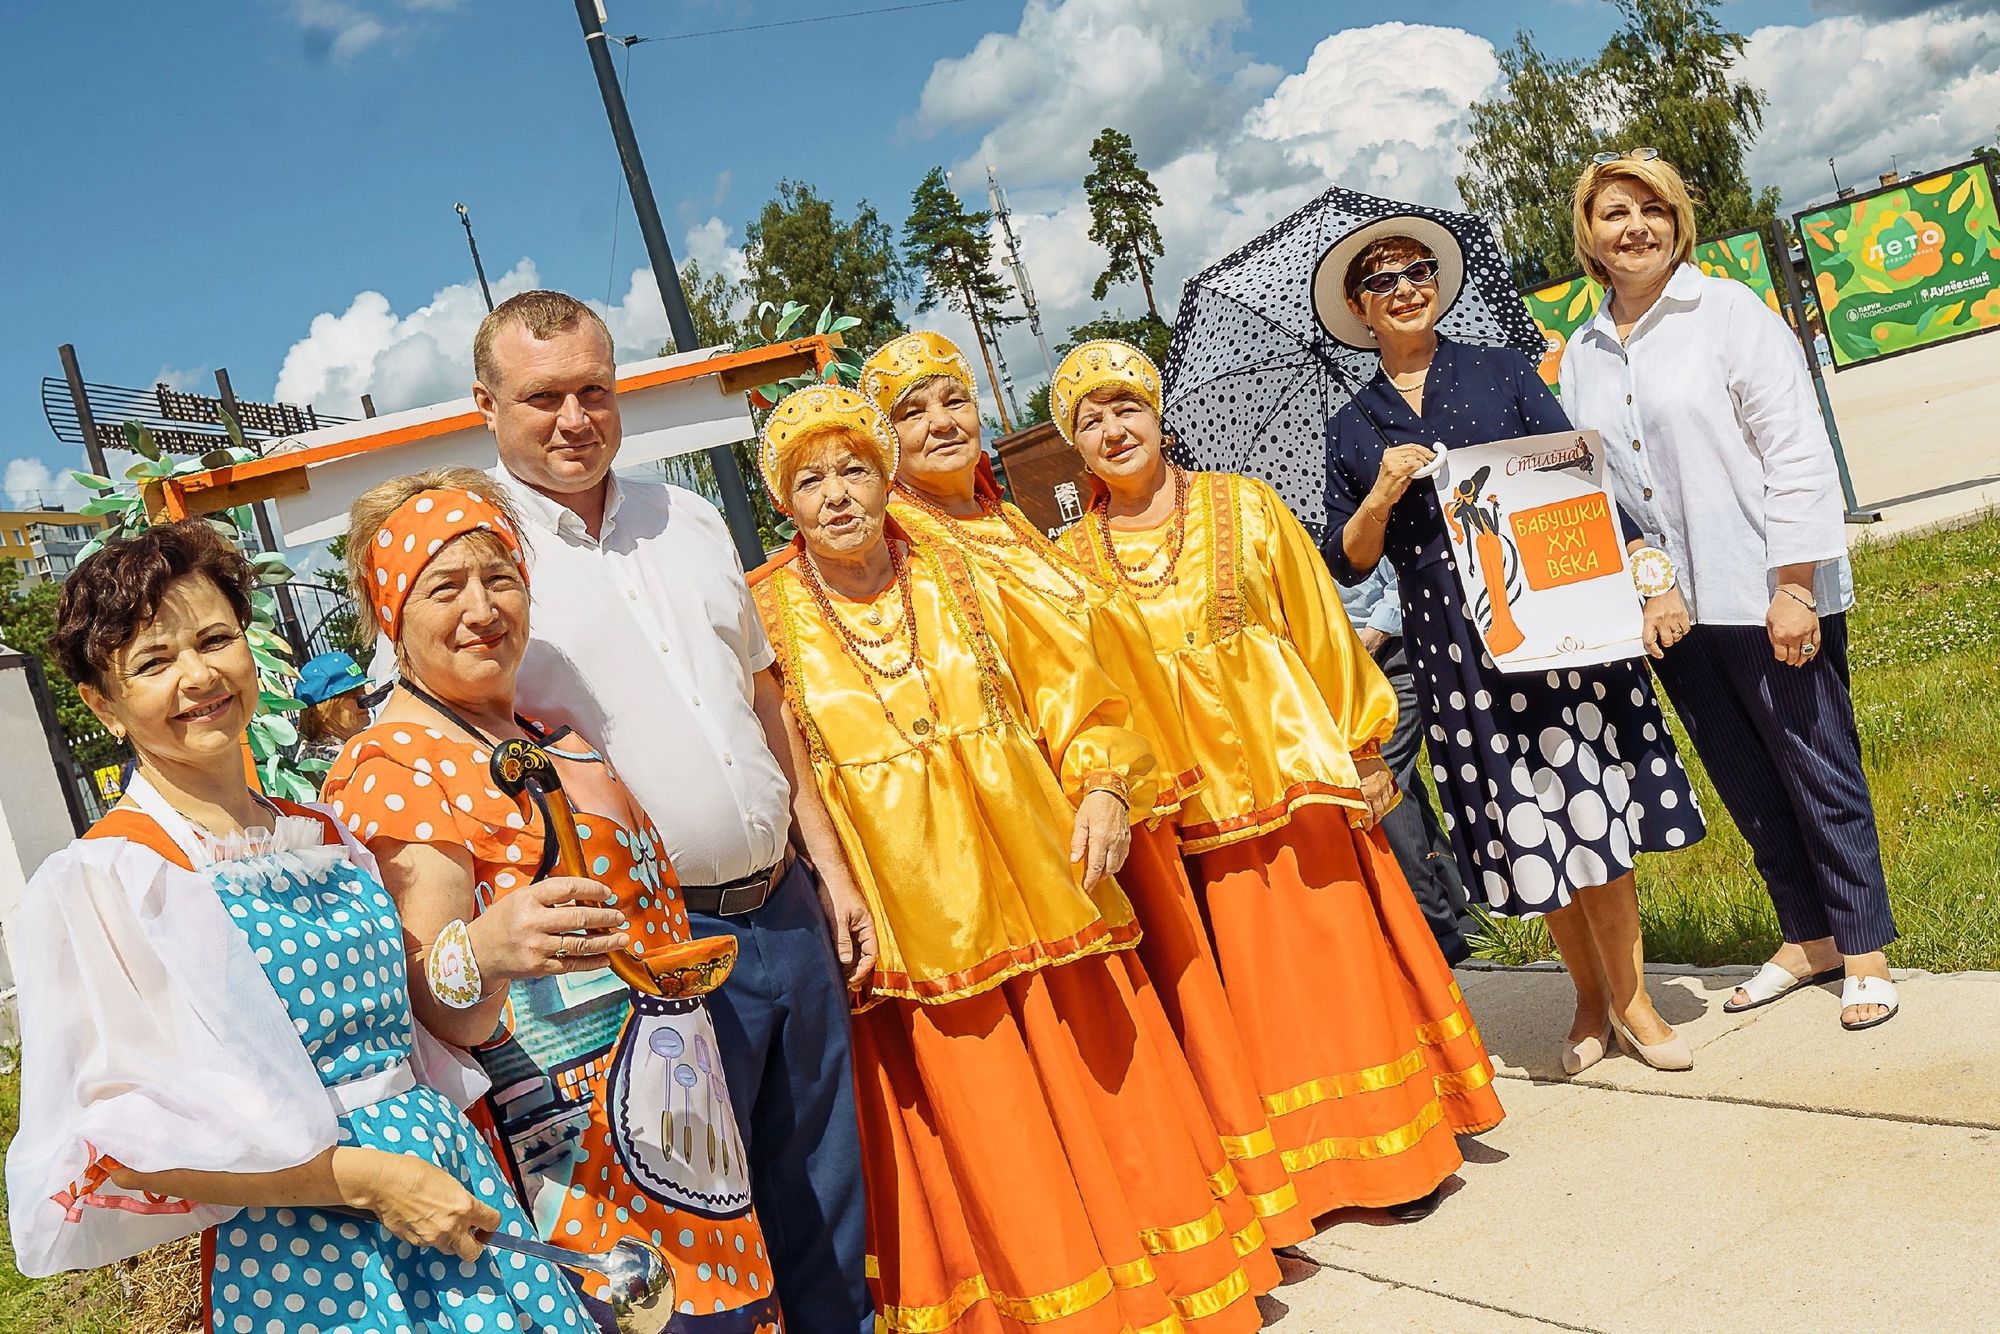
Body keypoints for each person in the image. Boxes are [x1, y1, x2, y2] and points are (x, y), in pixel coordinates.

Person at [748, 382, 1275, 1332]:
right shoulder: (764, 617)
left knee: (1105, 1086)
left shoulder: (956, 567)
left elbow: (1077, 691)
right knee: (987, 1127)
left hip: (1042, 886)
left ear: (884, 476)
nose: (837, 495)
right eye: (810, 479)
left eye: (856, 470)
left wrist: (1107, 784)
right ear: (782, 502)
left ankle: (1173, 1285)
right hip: (910, 922)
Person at [4, 519, 592, 1333]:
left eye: (216, 639)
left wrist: (481, 960)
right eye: (153, 661)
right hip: (302, 1244)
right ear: (103, 706)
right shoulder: (102, 882)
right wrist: (362, 1180)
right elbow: (124, 1144)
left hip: (444, 1181)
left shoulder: (325, 833)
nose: (199, 675)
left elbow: (411, 1037)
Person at [464, 290, 875, 1330]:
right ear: (486, 403)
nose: (573, 417)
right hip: (639, 948)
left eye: (594, 390)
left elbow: (763, 700)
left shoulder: (686, 517)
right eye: (541, 395)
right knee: (692, 1232)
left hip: (781, 908)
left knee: (826, 1194)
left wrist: (826, 867)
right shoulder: (475, 556)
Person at [861, 329, 1312, 1242]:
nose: (941, 423)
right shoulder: (906, 542)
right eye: (912, 414)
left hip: (1119, 794)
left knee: (1178, 1010)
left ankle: (1237, 1210)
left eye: (953, 400)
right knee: (1125, 1034)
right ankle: (1174, 1225)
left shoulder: (999, 521)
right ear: (885, 444)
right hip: (1058, 820)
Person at [1054, 339, 1503, 1224]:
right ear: (1073, 445)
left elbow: (1317, 625)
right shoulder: (1067, 560)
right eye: (1090, 419)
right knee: (1254, 1003)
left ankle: (1394, 1152)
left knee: (1340, 967)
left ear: (1158, 415)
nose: (1113, 429)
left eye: (1125, 407)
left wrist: (1366, 746)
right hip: (1186, 815)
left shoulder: (1247, 506)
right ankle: (1300, 1172)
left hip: (1294, 781)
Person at [321, 470, 781, 1330]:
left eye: (499, 576)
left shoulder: (549, 732)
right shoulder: (396, 765)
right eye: (443, 586)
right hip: (569, 1163)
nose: (482, 607)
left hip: (679, 1116)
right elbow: (434, 1003)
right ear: (392, 613)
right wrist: (484, 950)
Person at [1320, 217, 1707, 1073]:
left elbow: (1580, 476)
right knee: (1527, 821)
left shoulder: (1496, 370)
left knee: (1588, 807)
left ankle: (1635, 999)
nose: (1406, 288)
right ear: (1359, 309)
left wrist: (1640, 568)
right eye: (1382, 281)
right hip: (1453, 649)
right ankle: (1586, 999)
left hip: (1548, 626)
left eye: (1418, 270)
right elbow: (1348, 558)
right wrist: (1381, 494)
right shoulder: (1353, 426)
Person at [1560, 151, 1898, 1030]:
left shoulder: (1729, 314)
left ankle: (1863, 949)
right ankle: (1807, 936)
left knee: (1818, 766)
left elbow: (1795, 452)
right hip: (1673, 609)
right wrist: (1648, 587)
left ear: (1677, 221)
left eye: (1651, 209)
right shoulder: (1587, 352)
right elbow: (1602, 491)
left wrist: (1794, 586)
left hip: (1760, 584)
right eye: (1613, 215)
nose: (1634, 226)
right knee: (1745, 778)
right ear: (1588, 237)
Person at [1337, 560, 1475, 963]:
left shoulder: (1339, 500)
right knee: (1405, 784)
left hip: (1388, 646)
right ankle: (1461, 911)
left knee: (1386, 780)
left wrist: (1373, 633)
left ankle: (1436, 926)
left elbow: (1404, 572)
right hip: (1338, 662)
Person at [294, 648, 381, 768]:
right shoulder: (326, 761)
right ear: (321, 711)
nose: (365, 700)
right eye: (353, 696)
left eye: (364, 692)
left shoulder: (348, 747)